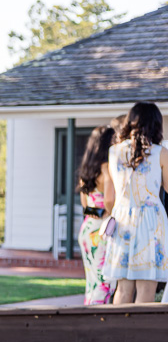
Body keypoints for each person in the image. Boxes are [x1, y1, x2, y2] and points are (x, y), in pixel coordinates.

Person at [104, 102, 168, 304]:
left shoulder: (114, 152)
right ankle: (141, 336)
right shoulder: (160, 152)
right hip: (150, 221)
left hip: (122, 219)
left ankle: (118, 333)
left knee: (122, 289)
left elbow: (111, 195)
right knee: (146, 288)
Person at [76, 126, 116, 305]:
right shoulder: (106, 167)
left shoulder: (86, 169)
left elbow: (85, 204)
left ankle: (88, 314)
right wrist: (110, 211)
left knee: (91, 281)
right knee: (104, 282)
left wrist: (98, 211)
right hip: (101, 232)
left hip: (87, 229)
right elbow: (109, 199)